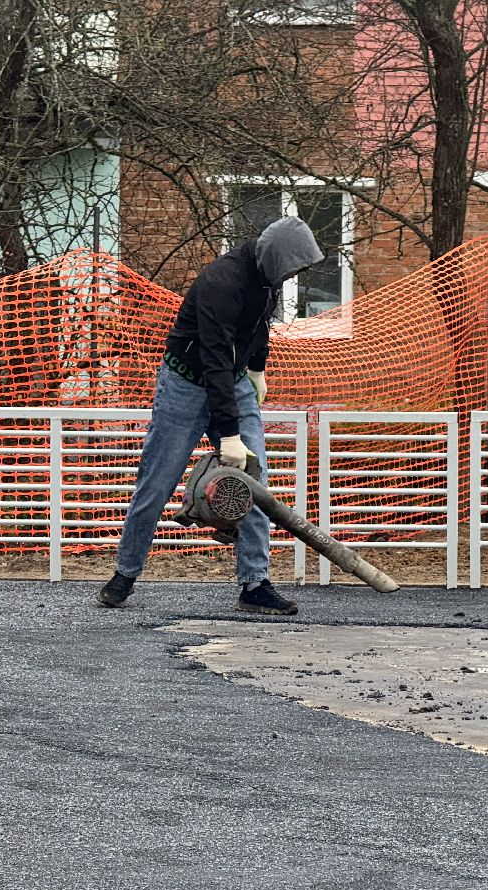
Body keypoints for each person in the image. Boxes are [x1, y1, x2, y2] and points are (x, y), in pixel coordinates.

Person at [97, 217, 325, 615]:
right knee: (157, 483)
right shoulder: (221, 283)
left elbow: (257, 328)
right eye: (291, 266)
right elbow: (214, 358)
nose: (293, 275)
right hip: (186, 383)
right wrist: (230, 434)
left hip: (232, 378)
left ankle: (255, 585)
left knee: (254, 483)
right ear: (274, 256)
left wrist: (257, 368)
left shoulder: (268, 279)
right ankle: (125, 574)